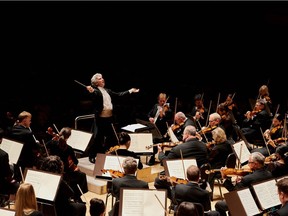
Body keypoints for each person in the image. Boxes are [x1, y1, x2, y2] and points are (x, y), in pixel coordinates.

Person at [85, 73, 140, 164]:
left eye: (102, 78)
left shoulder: (107, 90)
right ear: (95, 83)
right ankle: (92, 155)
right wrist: (90, 91)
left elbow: (119, 95)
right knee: (97, 139)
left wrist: (130, 91)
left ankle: (111, 155)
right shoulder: (95, 91)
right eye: (100, 78)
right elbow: (94, 96)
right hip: (100, 120)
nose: (102, 79)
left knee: (113, 138)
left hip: (109, 119)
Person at [154, 125, 208, 200]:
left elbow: (165, 163)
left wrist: (160, 152)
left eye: (183, 134)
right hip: (200, 176)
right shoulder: (204, 146)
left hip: (183, 178)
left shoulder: (178, 149)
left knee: (158, 181)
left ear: (187, 135)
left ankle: (175, 200)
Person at [214, 152, 273, 216]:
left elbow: (234, 192)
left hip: (248, 205)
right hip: (263, 202)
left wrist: (224, 178)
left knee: (219, 205)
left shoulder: (247, 179)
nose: (248, 164)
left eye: (249, 162)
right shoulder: (269, 174)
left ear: (255, 164)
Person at [46, 126, 88, 202]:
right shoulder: (68, 148)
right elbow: (76, 161)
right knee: (82, 175)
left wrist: (53, 139)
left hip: (51, 169)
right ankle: (76, 196)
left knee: (75, 176)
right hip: (64, 172)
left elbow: (44, 147)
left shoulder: (51, 143)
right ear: (68, 137)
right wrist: (73, 165)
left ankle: (74, 196)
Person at [7, 111, 42, 182]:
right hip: (25, 162)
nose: (30, 122)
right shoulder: (27, 133)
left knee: (16, 180)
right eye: (29, 120)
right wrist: (37, 143)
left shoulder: (11, 130)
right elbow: (34, 148)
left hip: (14, 161)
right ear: (24, 120)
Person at [147, 92, 173, 165]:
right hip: (154, 127)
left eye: (163, 101)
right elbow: (149, 114)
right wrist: (150, 118)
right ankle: (152, 157)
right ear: (158, 100)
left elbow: (169, 118)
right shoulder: (155, 106)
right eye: (160, 101)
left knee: (160, 143)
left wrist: (163, 115)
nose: (162, 102)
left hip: (162, 129)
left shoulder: (168, 109)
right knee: (153, 142)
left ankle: (162, 157)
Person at [207, 127, 233, 199]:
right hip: (226, 166)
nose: (212, 138)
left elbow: (209, 159)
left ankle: (208, 195)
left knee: (205, 169)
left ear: (217, 137)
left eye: (213, 136)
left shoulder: (217, 148)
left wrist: (208, 149)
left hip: (217, 169)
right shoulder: (228, 144)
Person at [0, 127, 19, 203]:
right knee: (17, 185)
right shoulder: (3, 154)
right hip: (1, 184)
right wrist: (11, 167)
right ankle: (9, 204)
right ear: (1, 140)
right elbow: (7, 174)